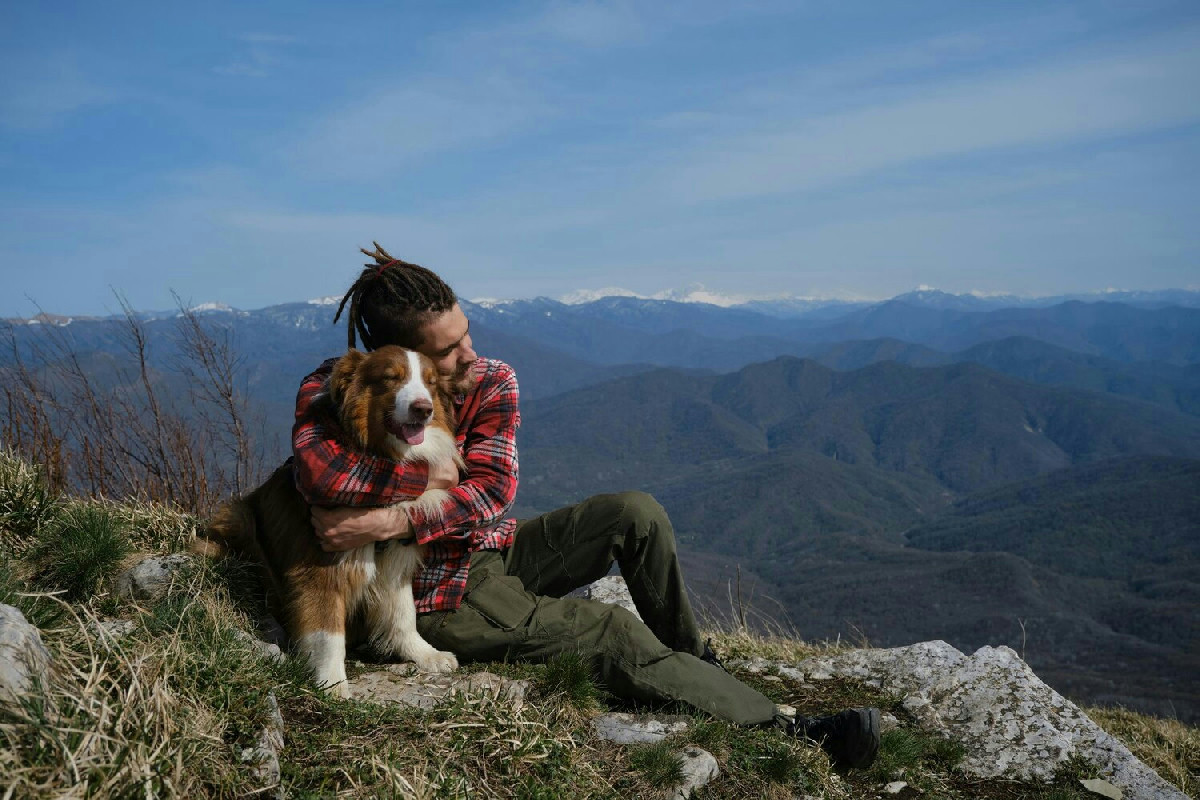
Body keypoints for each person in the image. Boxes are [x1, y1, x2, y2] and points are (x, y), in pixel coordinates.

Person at [291, 243, 880, 770]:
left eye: (465, 334)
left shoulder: (492, 379)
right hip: (435, 591)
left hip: (489, 545)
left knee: (635, 512)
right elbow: (315, 470)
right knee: (607, 629)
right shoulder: (336, 384)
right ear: (403, 360)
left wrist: (389, 516)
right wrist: (428, 481)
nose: (470, 354)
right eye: (447, 351)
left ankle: (694, 664)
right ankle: (788, 730)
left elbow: (492, 491)